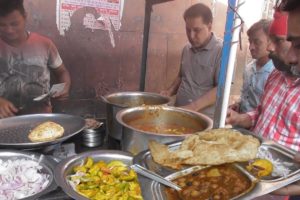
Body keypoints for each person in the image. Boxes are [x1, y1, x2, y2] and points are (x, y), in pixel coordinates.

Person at [226, 4, 300, 152]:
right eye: (270, 40)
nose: (270, 48)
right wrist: (238, 118)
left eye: (278, 40)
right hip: (253, 160)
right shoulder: (275, 75)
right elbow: (261, 113)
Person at [0, 0, 71, 118]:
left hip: (42, 118)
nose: (9, 30)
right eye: (2, 25)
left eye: (14, 24)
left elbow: (62, 71)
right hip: (4, 121)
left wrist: (65, 86)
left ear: (25, 17)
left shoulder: (44, 44)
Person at [160, 3, 222, 119]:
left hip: (203, 119)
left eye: (197, 30)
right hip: (180, 112)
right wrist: (170, 91)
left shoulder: (221, 51)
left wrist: (193, 107)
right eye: (188, 30)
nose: (191, 36)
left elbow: (221, 89)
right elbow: (181, 76)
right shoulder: (186, 48)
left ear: (209, 26)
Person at [229, 19, 275, 113]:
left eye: (257, 42)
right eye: (250, 42)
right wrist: (238, 105)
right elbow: (245, 95)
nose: (251, 47)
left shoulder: (274, 74)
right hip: (239, 124)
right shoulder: (249, 68)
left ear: (271, 42)